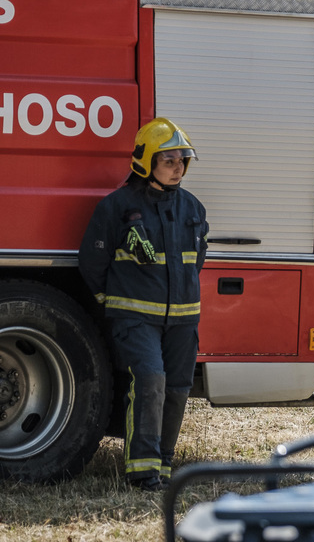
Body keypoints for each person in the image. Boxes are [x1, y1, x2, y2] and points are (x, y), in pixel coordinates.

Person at [78, 118, 207, 491]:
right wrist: (114, 304)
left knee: (178, 388)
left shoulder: (193, 208)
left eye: (182, 160)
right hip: (136, 318)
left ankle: (164, 466)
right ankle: (143, 471)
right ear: (146, 161)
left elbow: (195, 261)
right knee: (150, 381)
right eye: (168, 160)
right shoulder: (117, 207)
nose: (178, 167)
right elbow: (93, 263)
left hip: (183, 320)